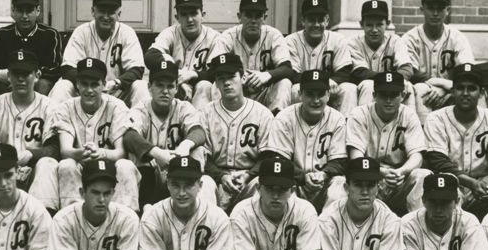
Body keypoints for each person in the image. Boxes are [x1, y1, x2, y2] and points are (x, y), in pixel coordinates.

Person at [30, 58, 140, 214]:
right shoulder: (65, 108)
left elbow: (121, 152)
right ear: (77, 85)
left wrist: (101, 153)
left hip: (107, 169)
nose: (89, 90)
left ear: (103, 85)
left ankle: (126, 217)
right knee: (66, 164)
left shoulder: (116, 106)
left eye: (95, 84)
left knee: (126, 165)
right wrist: (80, 153)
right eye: (84, 84)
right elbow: (65, 150)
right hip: (79, 167)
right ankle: (70, 217)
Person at [423, 66, 488, 218]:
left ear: (481, 93)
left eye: (472, 88)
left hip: (484, 187)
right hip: (449, 187)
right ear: (452, 91)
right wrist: (471, 183)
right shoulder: (436, 118)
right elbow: (438, 161)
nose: (465, 93)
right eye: (460, 88)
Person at [123, 59, 211, 209]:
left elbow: (199, 132)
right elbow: (129, 136)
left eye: (170, 86)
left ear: (176, 88)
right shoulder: (141, 109)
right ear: (149, 87)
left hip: (178, 174)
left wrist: (185, 145)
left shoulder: (183, 107)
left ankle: (193, 208)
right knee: (133, 154)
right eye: (159, 85)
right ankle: (144, 207)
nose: (165, 91)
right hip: (150, 173)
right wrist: (157, 153)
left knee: (197, 149)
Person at [344, 70, 430, 215]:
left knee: (423, 174)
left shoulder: (408, 115)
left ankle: (416, 226)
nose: (389, 100)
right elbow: (355, 156)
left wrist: (401, 172)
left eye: (394, 95)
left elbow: (417, 156)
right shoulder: (359, 114)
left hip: (398, 180)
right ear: (374, 95)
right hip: (369, 181)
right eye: (383, 95)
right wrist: (381, 172)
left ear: (402, 96)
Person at [197, 53, 274, 212]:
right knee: (203, 183)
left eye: (231, 76)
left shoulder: (262, 114)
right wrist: (221, 177)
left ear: (243, 77)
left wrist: (248, 176)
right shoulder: (205, 113)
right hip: (216, 179)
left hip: (249, 179)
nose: (226, 83)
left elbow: (267, 156)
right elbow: (204, 157)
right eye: (220, 78)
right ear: (216, 83)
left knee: (262, 184)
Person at [0, 48, 53, 198]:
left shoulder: (50, 107)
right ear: (8, 76)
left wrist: (31, 154)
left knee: (48, 164)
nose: (20, 79)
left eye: (26, 73)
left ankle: (43, 215)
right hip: (0, 173)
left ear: (37, 76)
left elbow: (54, 149)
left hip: (33, 173)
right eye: (16, 73)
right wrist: (7, 160)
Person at [264, 69, 347, 211]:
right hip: (293, 181)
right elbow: (278, 159)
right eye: (310, 94)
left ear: (328, 95)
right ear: (300, 94)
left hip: (324, 183)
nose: (316, 100)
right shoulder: (284, 118)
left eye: (321, 94)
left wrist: (324, 174)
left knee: (340, 184)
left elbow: (339, 162)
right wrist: (302, 177)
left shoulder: (337, 119)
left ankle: (329, 229)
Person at [52, 0, 148, 107]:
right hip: (85, 91)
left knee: (140, 86)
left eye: (111, 12)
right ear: (93, 11)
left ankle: (140, 125)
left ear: (119, 14)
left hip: (117, 92)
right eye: (102, 11)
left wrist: (117, 83)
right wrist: (90, 84)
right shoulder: (81, 32)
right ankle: (55, 124)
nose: (106, 16)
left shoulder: (127, 33)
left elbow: (137, 69)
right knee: (62, 86)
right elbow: (67, 68)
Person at [206, 0, 293, 114]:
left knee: (285, 83)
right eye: (248, 15)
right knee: (216, 85)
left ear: (264, 17)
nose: (253, 21)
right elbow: (211, 70)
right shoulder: (228, 37)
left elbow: (287, 68)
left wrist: (267, 75)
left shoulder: (273, 35)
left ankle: (276, 122)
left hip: (264, 92)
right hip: (237, 93)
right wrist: (237, 76)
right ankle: (221, 119)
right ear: (239, 16)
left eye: (258, 16)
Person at [401, 0, 475, 120]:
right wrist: (437, 83)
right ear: (422, 9)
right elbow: (411, 73)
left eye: (440, 8)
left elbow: (467, 71)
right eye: (430, 8)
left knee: (477, 93)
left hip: (451, 94)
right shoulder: (409, 38)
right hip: (422, 98)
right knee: (419, 89)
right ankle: (420, 137)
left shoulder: (457, 37)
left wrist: (445, 88)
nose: (435, 13)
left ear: (448, 10)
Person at [0, 0, 64, 104]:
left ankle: (37, 119)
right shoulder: (2, 34)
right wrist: (1, 74)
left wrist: (30, 75)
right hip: (7, 84)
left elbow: (56, 68)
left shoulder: (49, 35)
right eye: (20, 10)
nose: (24, 16)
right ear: (13, 11)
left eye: (29, 10)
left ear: (38, 11)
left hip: (35, 84)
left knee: (43, 83)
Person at [145, 0, 220, 103]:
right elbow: (150, 56)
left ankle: (198, 121)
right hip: (174, 87)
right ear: (177, 17)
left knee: (204, 86)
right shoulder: (170, 33)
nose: (189, 19)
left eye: (194, 13)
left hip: (200, 91)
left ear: (202, 15)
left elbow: (218, 70)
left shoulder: (214, 37)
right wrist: (176, 75)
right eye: (184, 14)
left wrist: (192, 74)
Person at [284, 0, 356, 113]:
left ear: (327, 20)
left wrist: (328, 83)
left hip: (329, 89)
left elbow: (344, 71)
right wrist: (322, 83)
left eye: (320, 20)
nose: (316, 24)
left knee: (349, 88)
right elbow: (293, 74)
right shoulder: (290, 41)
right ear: (303, 21)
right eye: (312, 20)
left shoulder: (337, 39)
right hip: (305, 89)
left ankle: (346, 127)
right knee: (295, 89)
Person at [347, 0, 415, 107]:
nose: (374, 30)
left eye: (379, 24)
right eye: (369, 25)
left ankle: (411, 123)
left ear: (387, 24)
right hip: (364, 90)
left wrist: (392, 82)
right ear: (361, 24)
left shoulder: (395, 40)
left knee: (407, 85)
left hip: (392, 88)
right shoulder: (353, 43)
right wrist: (390, 79)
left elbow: (407, 69)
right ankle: (364, 123)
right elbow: (360, 72)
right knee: (369, 85)